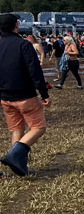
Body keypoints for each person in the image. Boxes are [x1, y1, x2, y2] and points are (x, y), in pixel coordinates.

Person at [0, 13, 51, 177]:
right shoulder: (23, 44)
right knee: (38, 127)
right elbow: (34, 71)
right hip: (25, 95)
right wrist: (44, 93)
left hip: (5, 97)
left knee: (17, 128)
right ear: (16, 25)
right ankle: (15, 155)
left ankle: (18, 165)